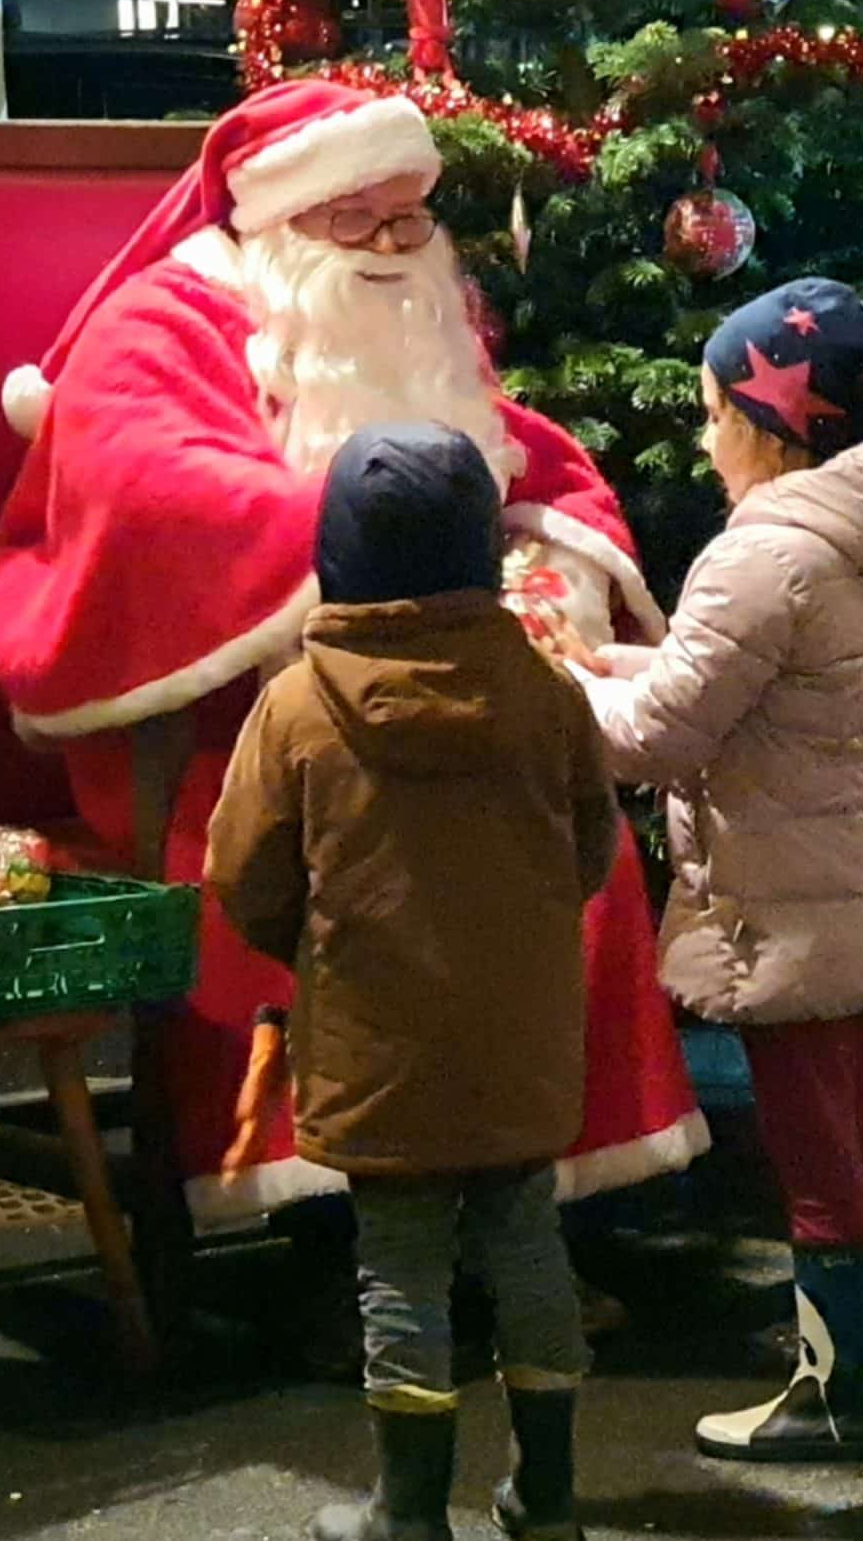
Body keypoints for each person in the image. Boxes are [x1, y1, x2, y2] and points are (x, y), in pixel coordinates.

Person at [0, 81, 707, 1282]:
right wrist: (394, 544)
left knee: (575, 857)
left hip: (436, 700)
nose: (393, 248)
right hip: (232, 730)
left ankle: (540, 1193)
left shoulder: (416, 304)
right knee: (325, 874)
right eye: (356, 221)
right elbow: (150, 492)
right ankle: (341, 1219)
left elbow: (511, 452)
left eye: (412, 219)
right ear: (281, 221)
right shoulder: (161, 321)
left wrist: (540, 571)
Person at [574, 281, 863, 1461]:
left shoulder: (760, 556)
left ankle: (835, 1399)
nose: (700, 437)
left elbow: (657, 737)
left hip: (784, 902)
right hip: (856, 887)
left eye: (711, 411)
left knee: (813, 1154)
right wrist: (621, 657)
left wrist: (555, 687)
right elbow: (753, 684)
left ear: (769, 421)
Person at [207, 422, 609, 1541]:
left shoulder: (296, 706)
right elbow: (591, 848)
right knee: (530, 1246)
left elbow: (242, 874)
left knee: (401, 1272)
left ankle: (410, 1510)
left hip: (379, 1035)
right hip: (519, 1028)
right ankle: (549, 1497)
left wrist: (320, 951)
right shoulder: (540, 691)